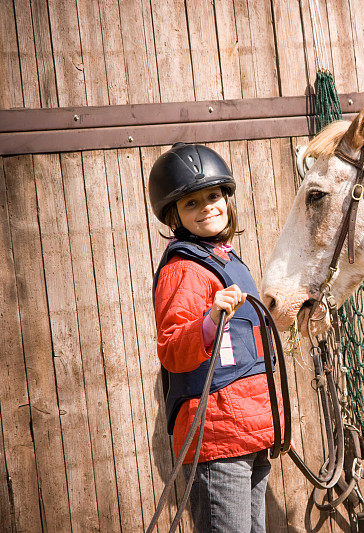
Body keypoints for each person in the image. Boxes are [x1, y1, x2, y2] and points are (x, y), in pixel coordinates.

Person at [149, 142, 280, 532]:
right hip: (218, 437)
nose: (207, 206)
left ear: (226, 197)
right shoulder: (185, 270)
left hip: (252, 430)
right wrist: (209, 319)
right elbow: (172, 347)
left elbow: (248, 340)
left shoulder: (228, 260)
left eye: (213, 195)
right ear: (174, 215)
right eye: (191, 203)